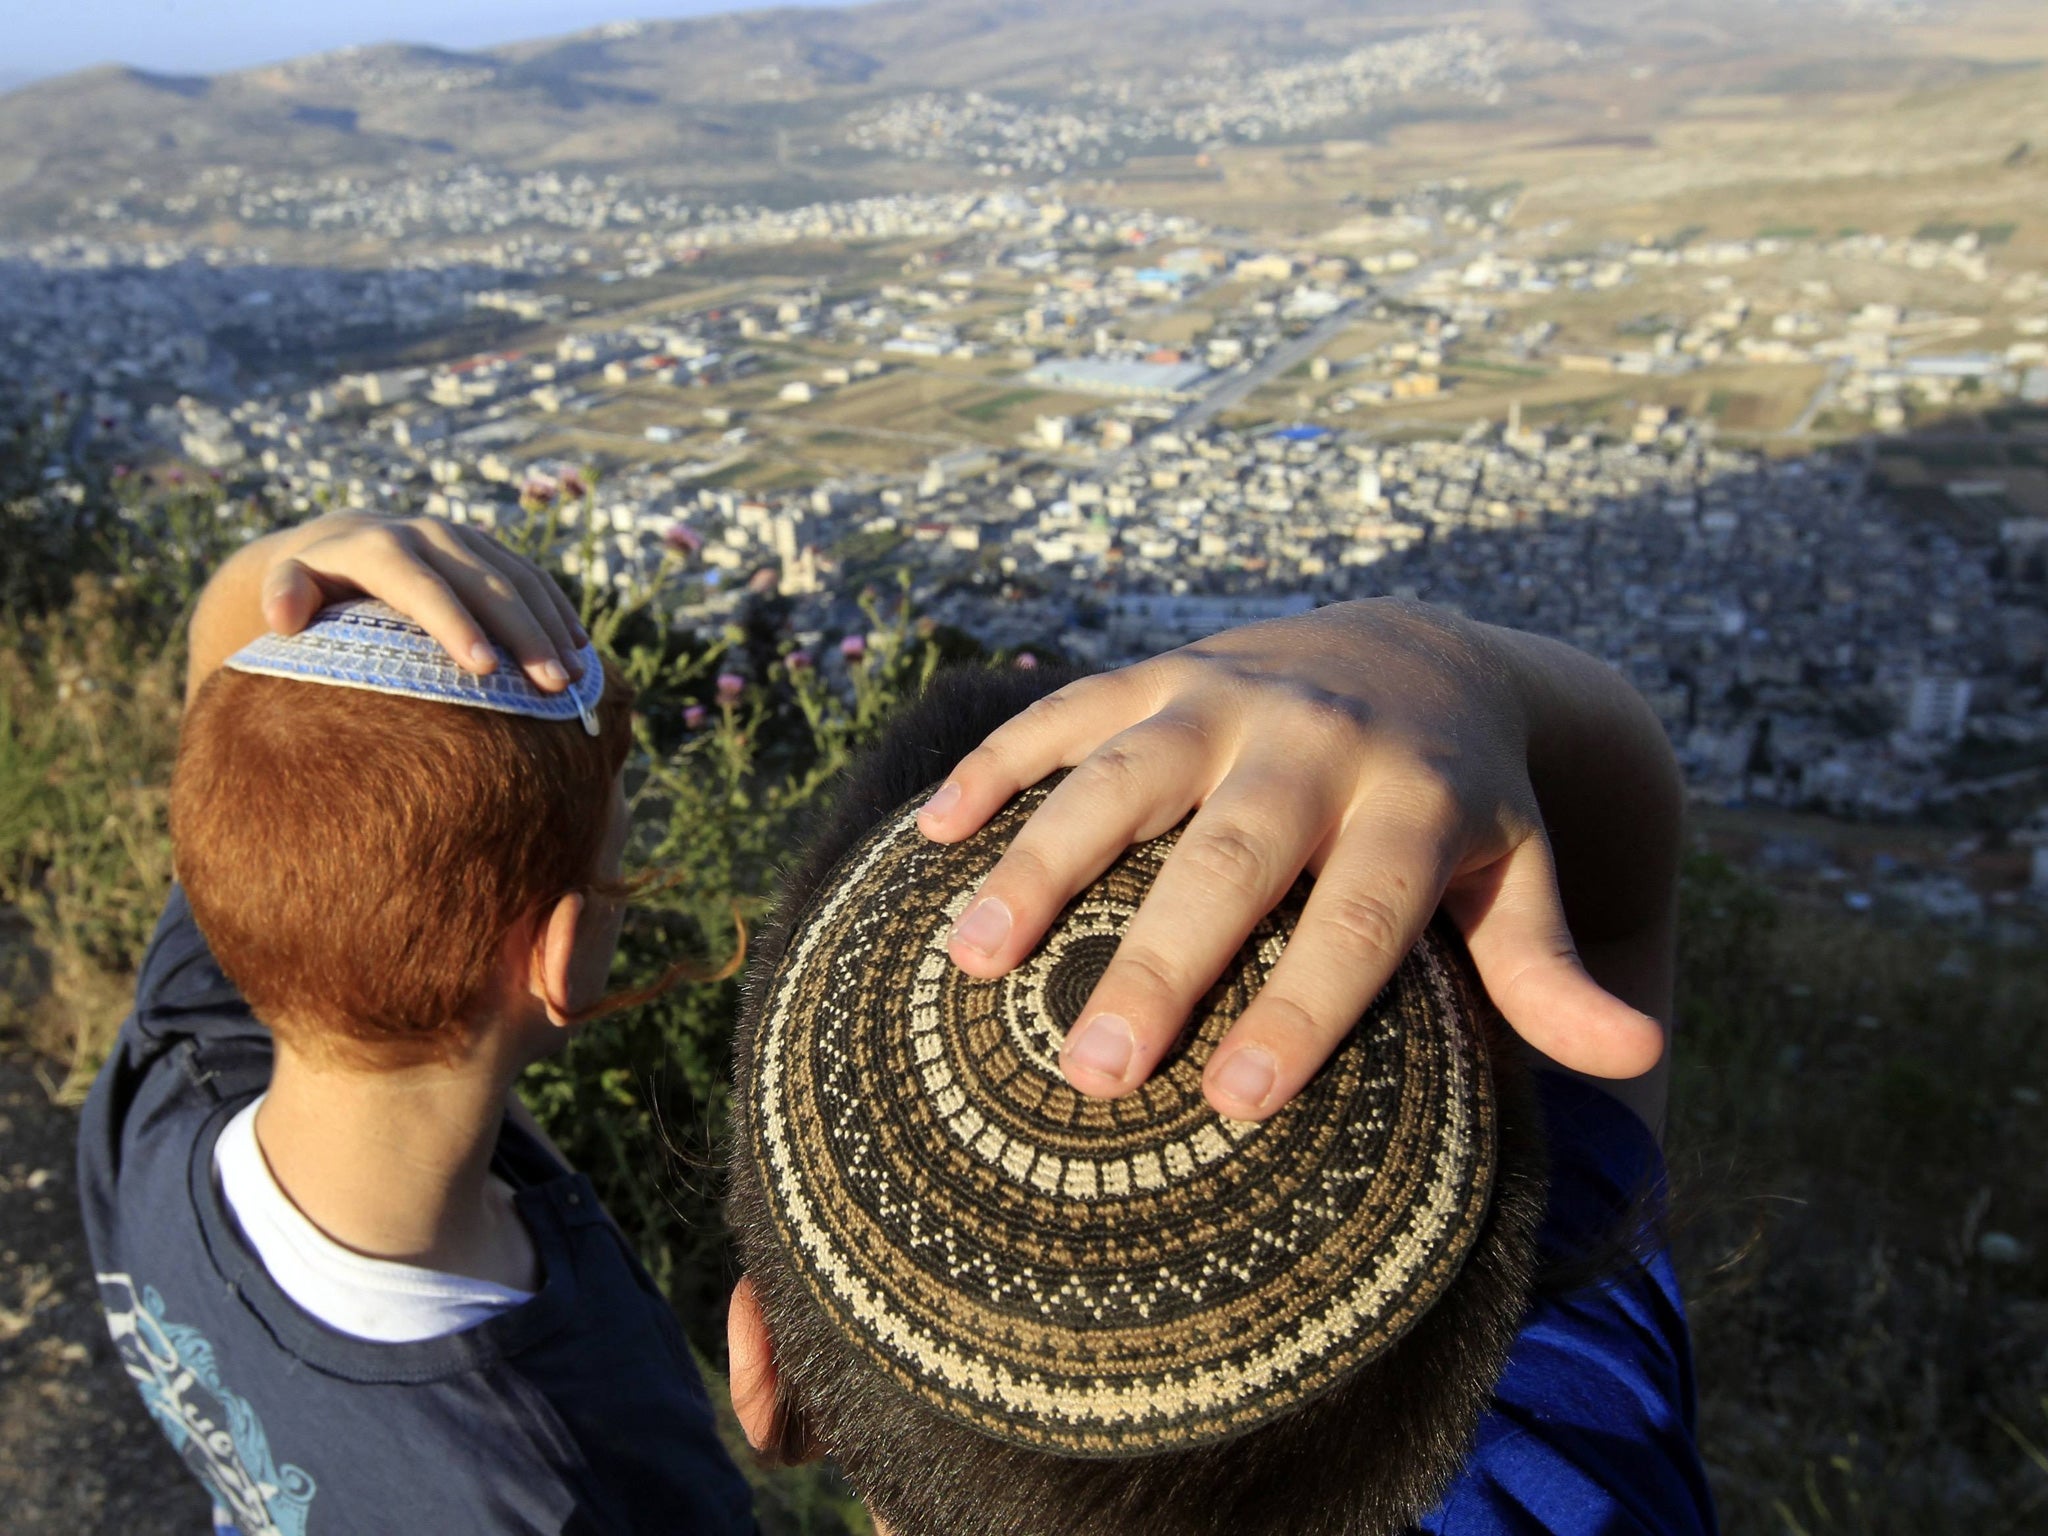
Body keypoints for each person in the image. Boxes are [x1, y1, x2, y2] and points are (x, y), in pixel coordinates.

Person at [724, 607, 1717, 1534]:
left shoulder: (1587, 1455)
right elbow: (1623, 903)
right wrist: (1421, 654)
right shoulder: (1573, 1451)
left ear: (763, 1376)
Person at [77, 514, 755, 1535]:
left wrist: (290, 567)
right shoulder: (573, 1466)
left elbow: (219, 689)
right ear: (558, 957)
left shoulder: (173, 1070)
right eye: (618, 870)